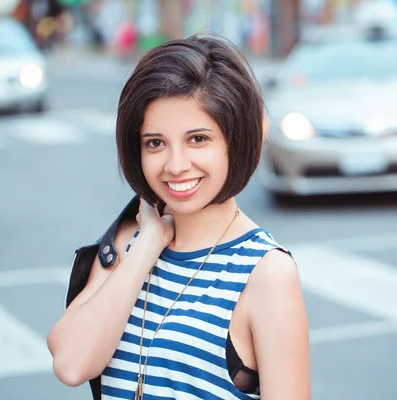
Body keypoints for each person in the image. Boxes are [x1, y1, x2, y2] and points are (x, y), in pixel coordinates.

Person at [47, 35, 310, 399]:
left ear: (234, 140)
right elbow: (72, 364)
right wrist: (148, 245)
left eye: (198, 139)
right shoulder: (129, 243)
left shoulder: (264, 272)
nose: (176, 165)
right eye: (155, 143)